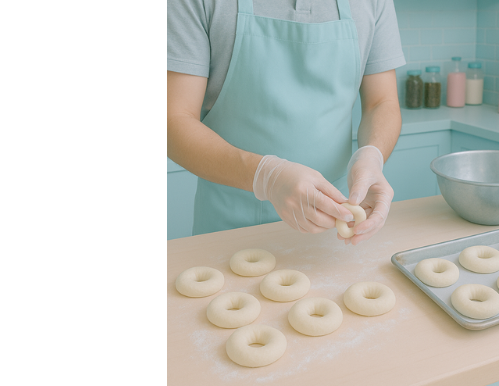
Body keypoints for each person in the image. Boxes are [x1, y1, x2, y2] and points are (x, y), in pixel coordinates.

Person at [167, 0, 406, 245]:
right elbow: (173, 121)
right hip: (229, 230)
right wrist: (267, 177)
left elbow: (382, 102)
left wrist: (372, 155)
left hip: (332, 226)